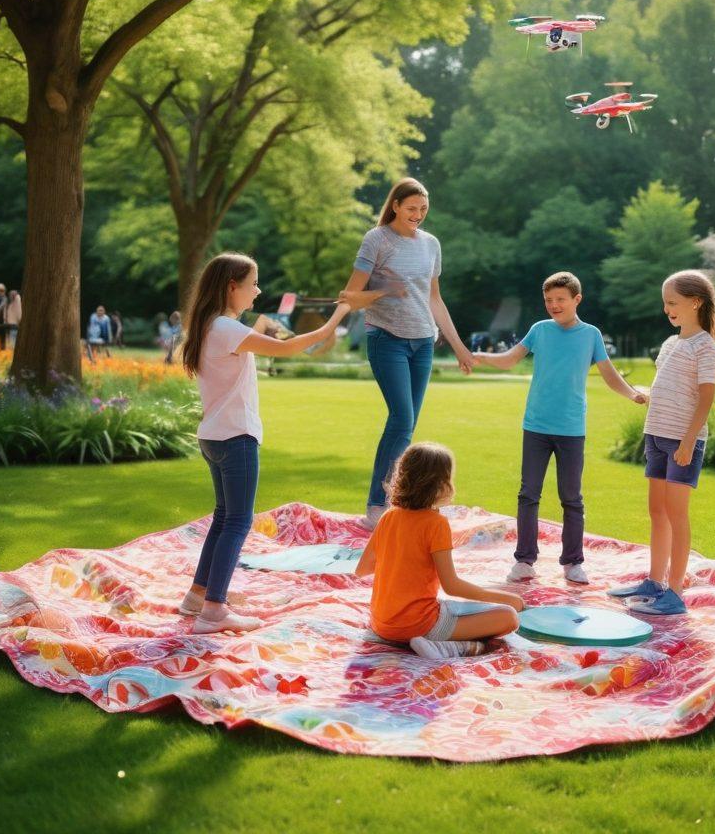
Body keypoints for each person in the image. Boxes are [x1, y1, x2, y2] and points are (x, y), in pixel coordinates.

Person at [178, 252, 351, 634]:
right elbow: (291, 347)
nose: (258, 291)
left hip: (214, 436)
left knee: (224, 518)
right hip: (235, 437)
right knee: (238, 522)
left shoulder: (210, 326)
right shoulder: (226, 328)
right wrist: (339, 315)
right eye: (253, 284)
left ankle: (198, 596)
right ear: (232, 287)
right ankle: (214, 611)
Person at [474, 272, 648, 585]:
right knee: (528, 494)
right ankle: (524, 560)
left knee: (571, 498)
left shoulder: (591, 335)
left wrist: (632, 393)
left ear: (576, 299)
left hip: (571, 428)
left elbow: (609, 374)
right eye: (548, 300)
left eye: (560, 299)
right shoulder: (539, 330)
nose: (554, 305)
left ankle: (572, 562)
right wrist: (479, 357)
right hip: (536, 425)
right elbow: (510, 359)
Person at [342, 178, 474, 530]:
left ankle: (399, 500)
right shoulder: (377, 239)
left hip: (423, 343)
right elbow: (350, 297)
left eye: (423, 209)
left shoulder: (431, 244)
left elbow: (434, 299)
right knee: (401, 419)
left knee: (407, 423)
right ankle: (377, 504)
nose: (418, 214)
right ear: (396, 205)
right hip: (387, 340)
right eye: (412, 208)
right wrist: (385, 290)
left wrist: (459, 347)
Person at [610, 269, 715, 616]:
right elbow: (670, 386)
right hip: (656, 434)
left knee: (676, 514)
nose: (666, 309)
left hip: (681, 441)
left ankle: (675, 592)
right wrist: (646, 393)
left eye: (672, 302)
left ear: (695, 302)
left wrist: (688, 441)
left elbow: (706, 397)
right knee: (657, 511)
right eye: (665, 302)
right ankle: (654, 582)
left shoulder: (705, 345)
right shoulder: (672, 343)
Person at [354, 442, 523, 660]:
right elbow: (451, 586)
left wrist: (399, 558)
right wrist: (506, 598)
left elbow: (363, 569)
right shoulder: (436, 524)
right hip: (419, 625)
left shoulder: (389, 516)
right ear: (440, 484)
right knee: (508, 617)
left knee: (455, 608)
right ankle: (449, 648)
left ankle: (434, 640)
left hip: (382, 625)